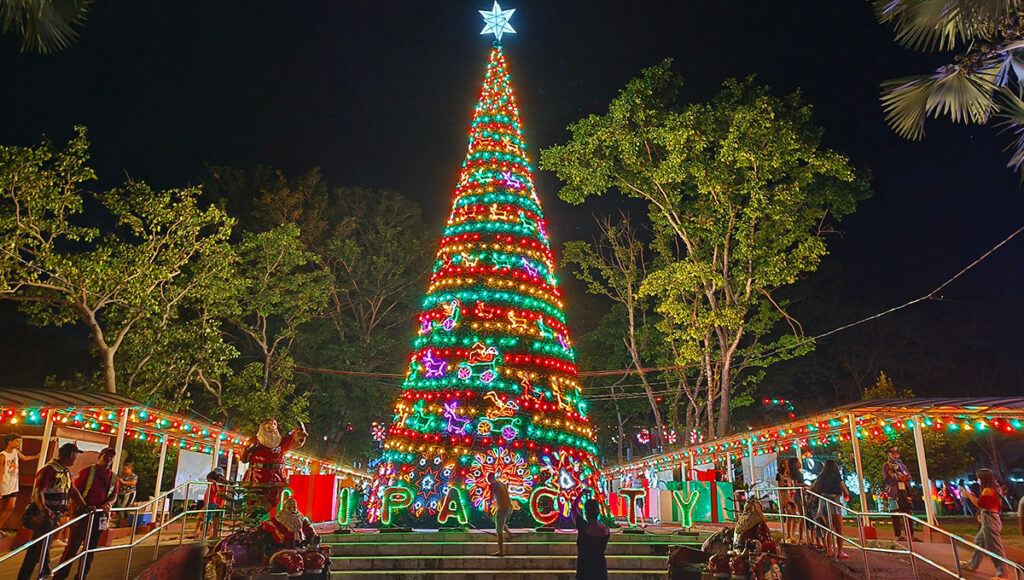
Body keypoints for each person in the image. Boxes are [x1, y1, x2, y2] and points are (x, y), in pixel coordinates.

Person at [17, 442, 85, 580]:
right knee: (43, 540)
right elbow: (38, 492)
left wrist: (85, 505)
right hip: (42, 515)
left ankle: (25, 576)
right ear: (71, 455)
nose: (76, 459)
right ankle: (44, 566)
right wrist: (44, 509)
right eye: (75, 455)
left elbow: (72, 490)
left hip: (55, 515)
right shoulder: (49, 470)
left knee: (34, 549)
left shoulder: (65, 471)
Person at [54, 446, 118, 580]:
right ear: (100, 456)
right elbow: (74, 493)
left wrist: (109, 503)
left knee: (91, 549)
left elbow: (114, 494)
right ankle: (60, 576)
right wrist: (73, 516)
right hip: (84, 513)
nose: (109, 459)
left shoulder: (113, 476)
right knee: (73, 547)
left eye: (111, 457)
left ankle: (82, 575)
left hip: (100, 515)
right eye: (106, 456)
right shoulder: (87, 472)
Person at [240, 419, 307, 514]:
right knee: (253, 498)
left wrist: (300, 431)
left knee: (272, 499)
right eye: (269, 424)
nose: (272, 426)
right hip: (256, 476)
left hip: (275, 476)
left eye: (274, 424)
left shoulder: (281, 443)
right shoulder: (255, 441)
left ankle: (257, 515)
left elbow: (296, 440)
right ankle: (252, 518)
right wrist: (247, 449)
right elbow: (244, 458)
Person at [960, 468, 1007, 578]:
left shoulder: (987, 490)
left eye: (979, 478)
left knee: (995, 547)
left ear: (984, 479)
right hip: (989, 517)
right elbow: (985, 504)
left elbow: (980, 504)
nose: (977, 480)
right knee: (979, 541)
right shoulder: (992, 489)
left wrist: (968, 495)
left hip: (989, 519)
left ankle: (1002, 575)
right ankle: (973, 564)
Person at [811, 458, 850, 559]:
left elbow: (813, 488)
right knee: (839, 528)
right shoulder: (837, 477)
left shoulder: (820, 477)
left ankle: (829, 550)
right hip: (834, 501)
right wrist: (843, 495)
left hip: (823, 502)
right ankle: (840, 552)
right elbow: (846, 492)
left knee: (829, 528)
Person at [0, 434, 39, 533]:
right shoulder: (3, 455)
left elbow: (24, 458)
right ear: (10, 442)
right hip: (5, 483)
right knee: (2, 506)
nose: (18, 443)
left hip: (14, 483)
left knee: (11, 506)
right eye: (17, 441)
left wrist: (37, 456)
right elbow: (0, 472)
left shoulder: (16, 452)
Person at [881, 445, 917, 541]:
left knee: (908, 513)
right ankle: (898, 535)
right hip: (893, 493)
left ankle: (910, 535)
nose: (896, 456)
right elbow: (887, 480)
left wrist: (905, 478)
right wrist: (897, 478)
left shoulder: (902, 466)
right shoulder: (886, 467)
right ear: (889, 455)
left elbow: (908, 476)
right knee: (896, 514)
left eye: (897, 454)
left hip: (904, 492)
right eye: (893, 454)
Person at [571, 493, 609, 580]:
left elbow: (573, 510)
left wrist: (580, 495)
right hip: (600, 569)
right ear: (598, 512)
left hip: (584, 569)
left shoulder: (583, 527)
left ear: (586, 513)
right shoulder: (605, 530)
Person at [193, 467, 228, 539]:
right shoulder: (214, 484)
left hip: (214, 503)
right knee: (204, 518)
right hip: (211, 503)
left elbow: (217, 491)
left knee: (210, 520)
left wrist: (215, 483)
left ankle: (206, 535)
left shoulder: (217, 484)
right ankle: (201, 533)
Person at [487, 472, 513, 556]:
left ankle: (500, 551)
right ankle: (509, 534)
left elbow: (491, 497)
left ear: (489, 478)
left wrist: (489, 507)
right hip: (508, 506)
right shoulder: (501, 483)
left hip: (502, 507)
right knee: (499, 522)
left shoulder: (493, 485)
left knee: (499, 530)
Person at [774, 459, 798, 543]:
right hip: (785, 496)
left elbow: (794, 483)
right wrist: (784, 500)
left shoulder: (791, 474)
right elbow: (780, 489)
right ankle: (788, 535)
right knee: (790, 515)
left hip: (792, 495)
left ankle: (792, 534)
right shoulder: (779, 475)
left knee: (795, 516)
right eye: (786, 464)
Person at [115, 462, 137, 526]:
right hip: (121, 493)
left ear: (130, 469)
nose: (125, 471)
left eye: (126, 469)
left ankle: (125, 522)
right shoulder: (123, 476)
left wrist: (123, 482)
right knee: (119, 507)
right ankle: (121, 522)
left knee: (125, 507)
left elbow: (133, 483)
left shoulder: (134, 476)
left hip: (129, 493)